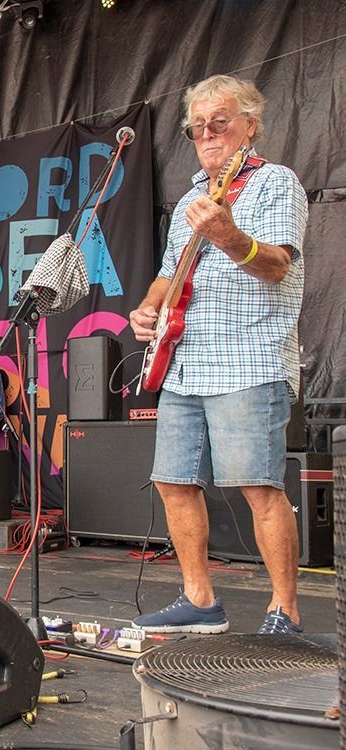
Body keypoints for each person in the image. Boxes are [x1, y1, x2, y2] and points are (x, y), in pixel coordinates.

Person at [128, 75, 308, 635]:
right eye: (197, 126)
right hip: (184, 362)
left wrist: (229, 235)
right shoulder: (188, 200)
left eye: (219, 122)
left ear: (250, 125)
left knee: (258, 485)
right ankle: (199, 599)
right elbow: (167, 275)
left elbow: (278, 264)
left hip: (248, 358)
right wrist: (147, 309)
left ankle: (285, 610)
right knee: (172, 481)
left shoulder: (276, 183)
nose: (207, 134)